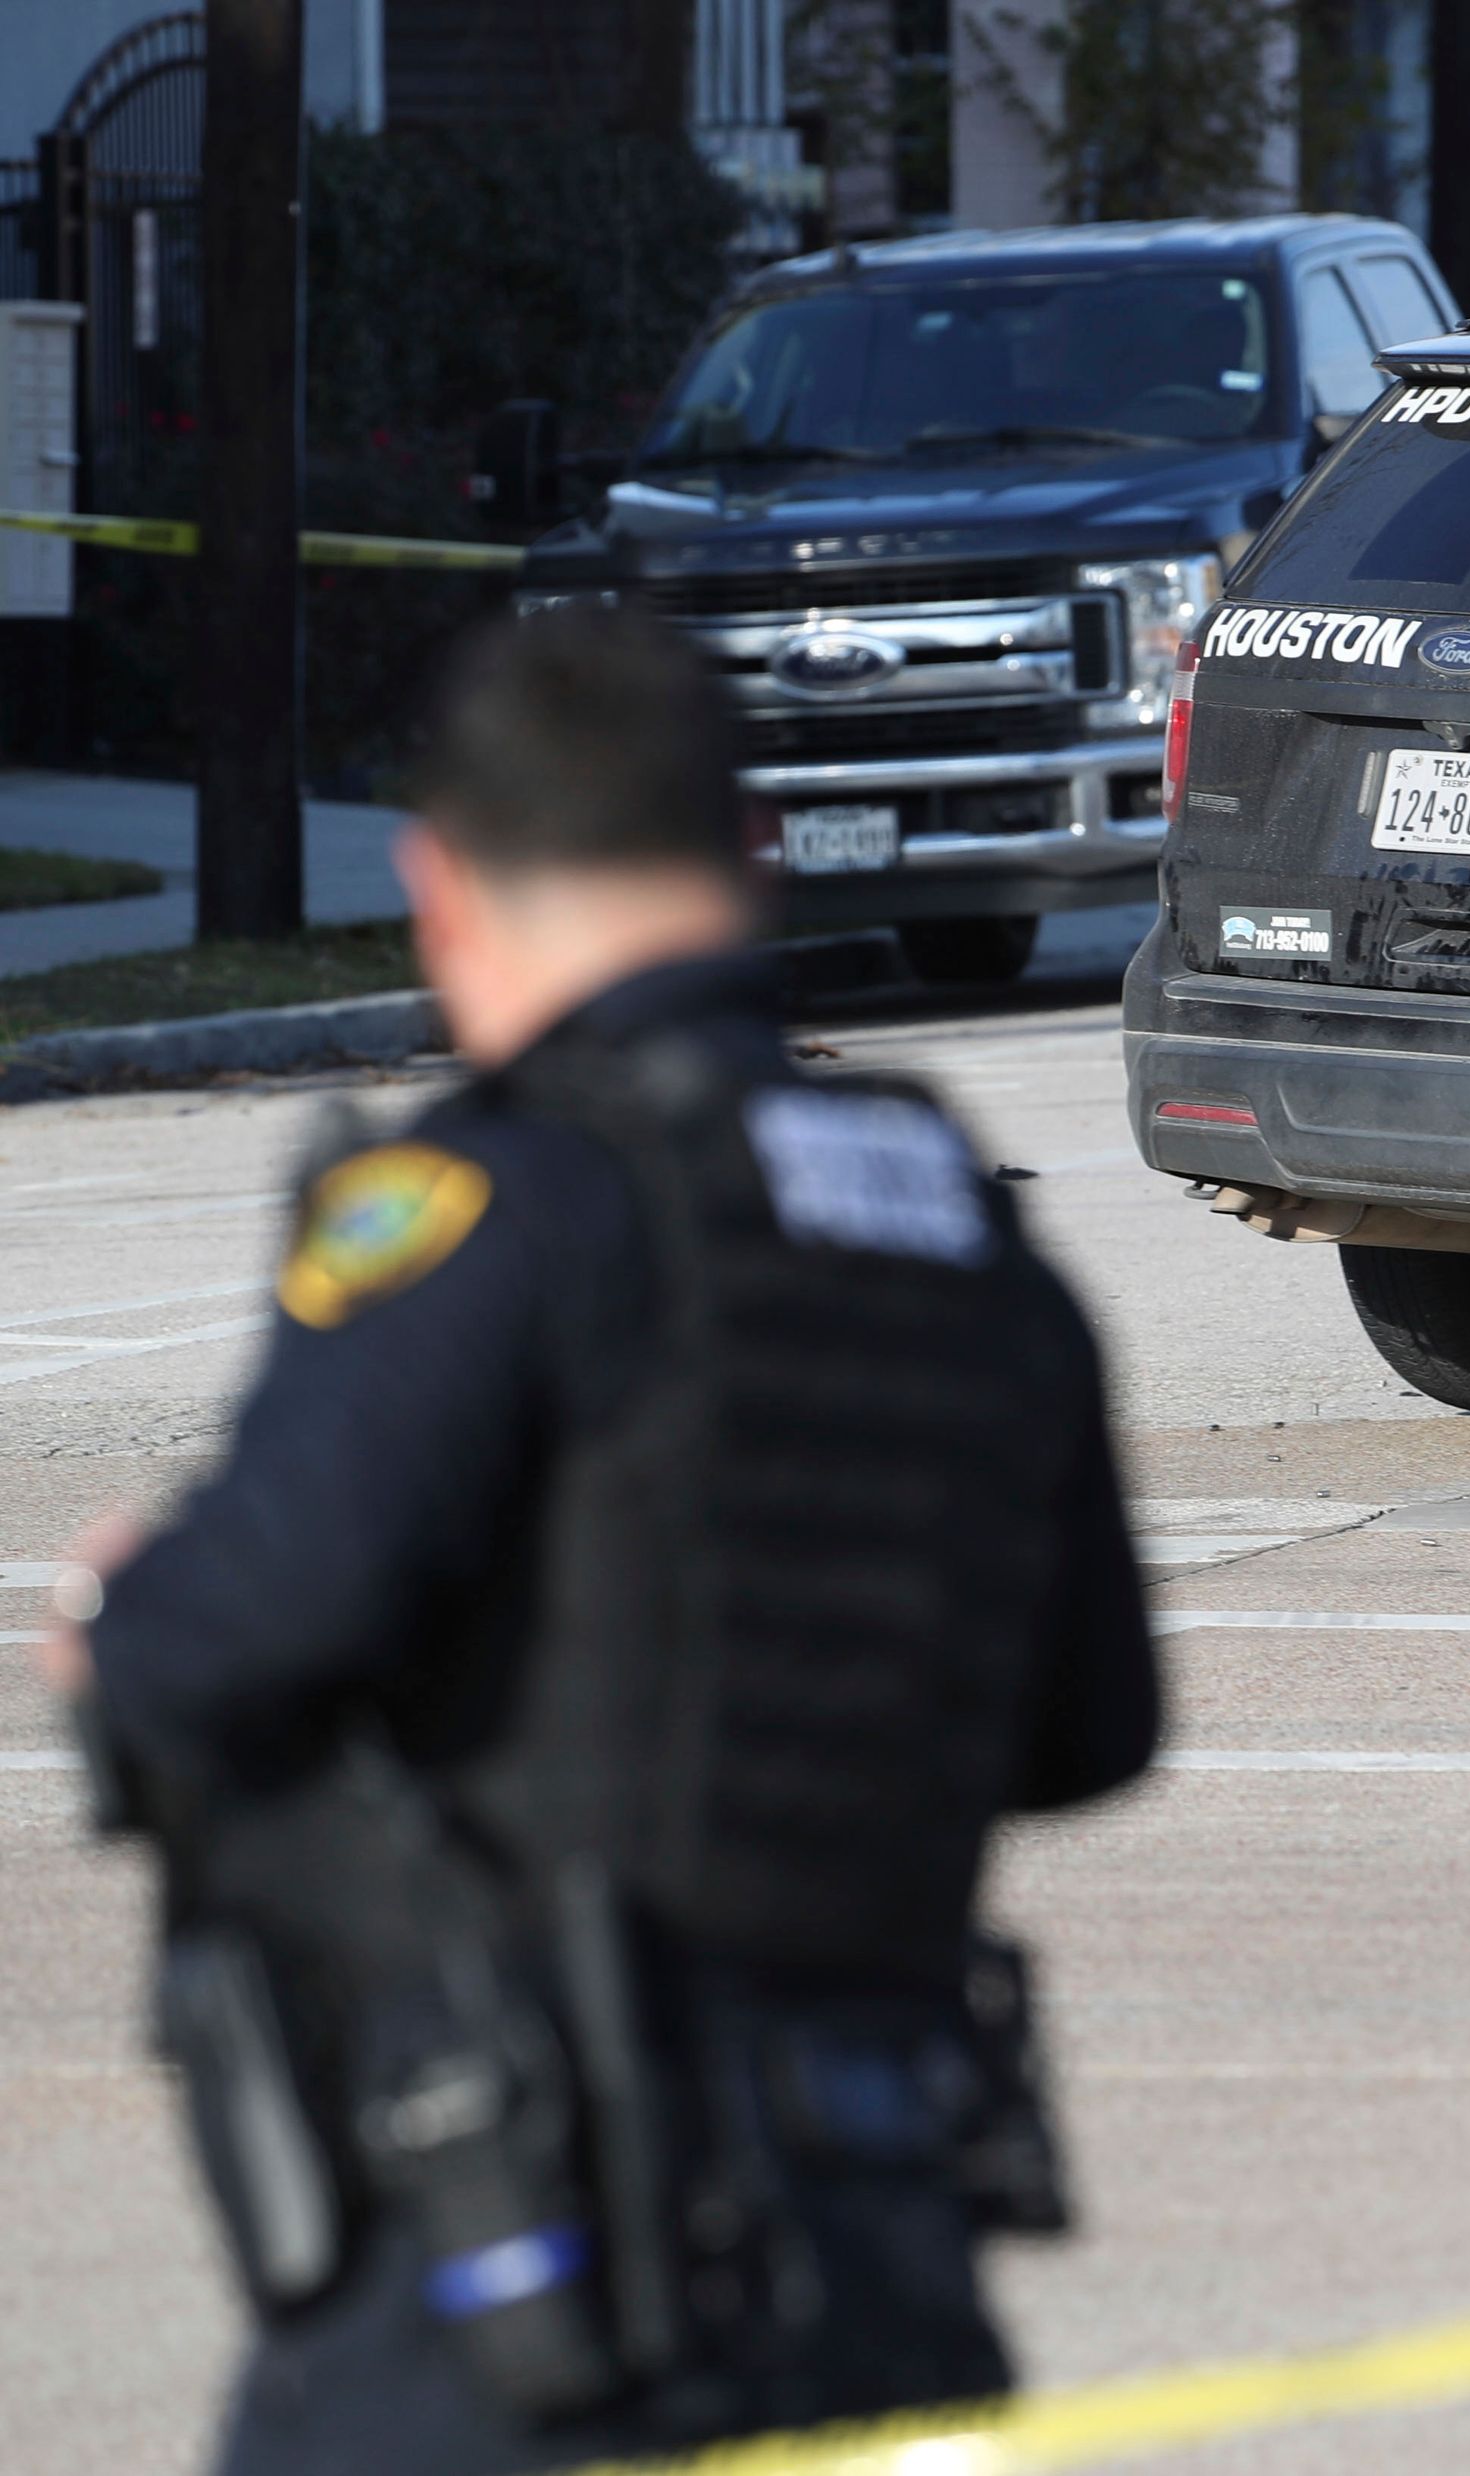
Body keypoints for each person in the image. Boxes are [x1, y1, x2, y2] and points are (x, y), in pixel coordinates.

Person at [33, 607, 1159, 2475]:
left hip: (530, 2270)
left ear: (440, 888)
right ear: (756, 859)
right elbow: (1090, 1725)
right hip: (881, 2236)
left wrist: (118, 1605)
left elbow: (235, 1632)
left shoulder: (504, 1205)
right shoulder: (953, 1220)